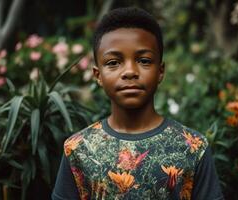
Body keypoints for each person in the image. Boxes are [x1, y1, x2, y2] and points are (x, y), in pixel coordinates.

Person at [52, 7, 224, 200]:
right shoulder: (78, 149)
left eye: (143, 60)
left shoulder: (192, 148)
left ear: (160, 71)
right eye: (113, 62)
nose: (130, 71)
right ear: (98, 75)